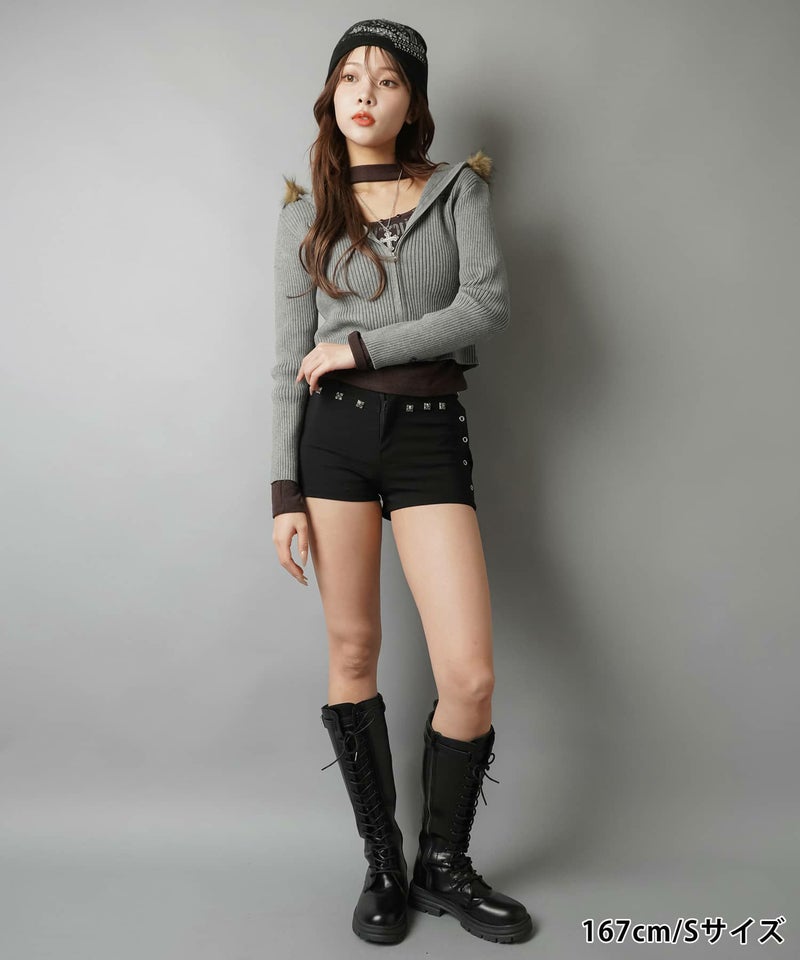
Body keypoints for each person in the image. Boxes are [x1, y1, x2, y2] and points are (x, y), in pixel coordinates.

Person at [270, 18, 534, 946]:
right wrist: (282, 492)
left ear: (412, 101)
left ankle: (443, 864)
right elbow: (284, 361)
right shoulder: (306, 210)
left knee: (470, 672)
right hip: (333, 443)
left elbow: (485, 304)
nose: (365, 92)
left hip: (426, 435)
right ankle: (384, 863)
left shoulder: (459, 189)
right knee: (353, 651)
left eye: (386, 79)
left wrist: (360, 345)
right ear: (331, 94)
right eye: (351, 76)